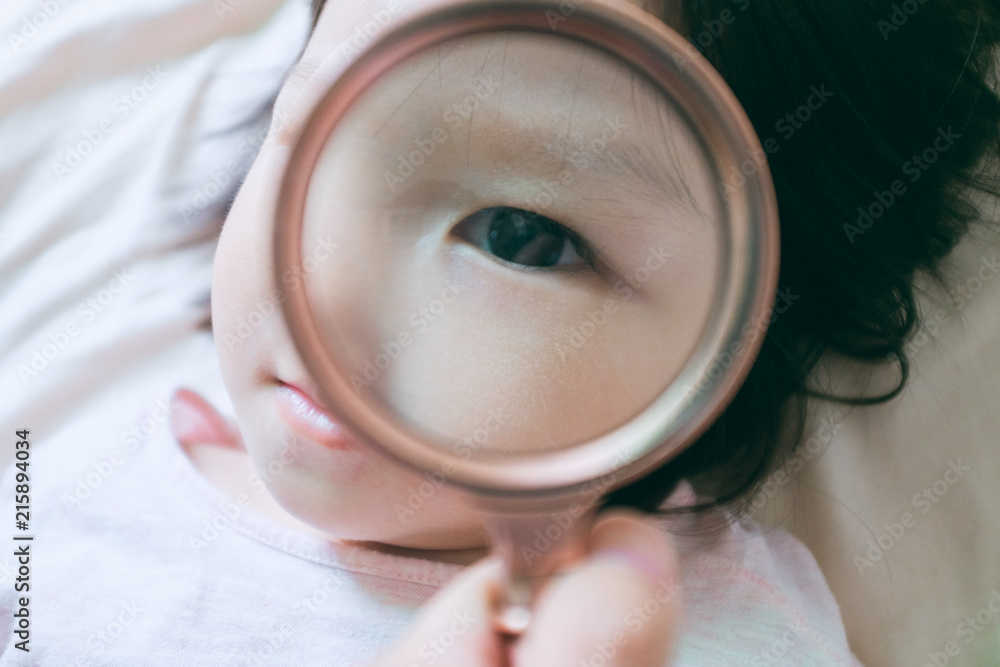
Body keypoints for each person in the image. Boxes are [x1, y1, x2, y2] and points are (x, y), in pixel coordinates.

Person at [2, 0, 998, 664]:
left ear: (734, 339)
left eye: (522, 239)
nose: (326, 287)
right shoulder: (60, 462)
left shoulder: (712, 627)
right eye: (316, 132)